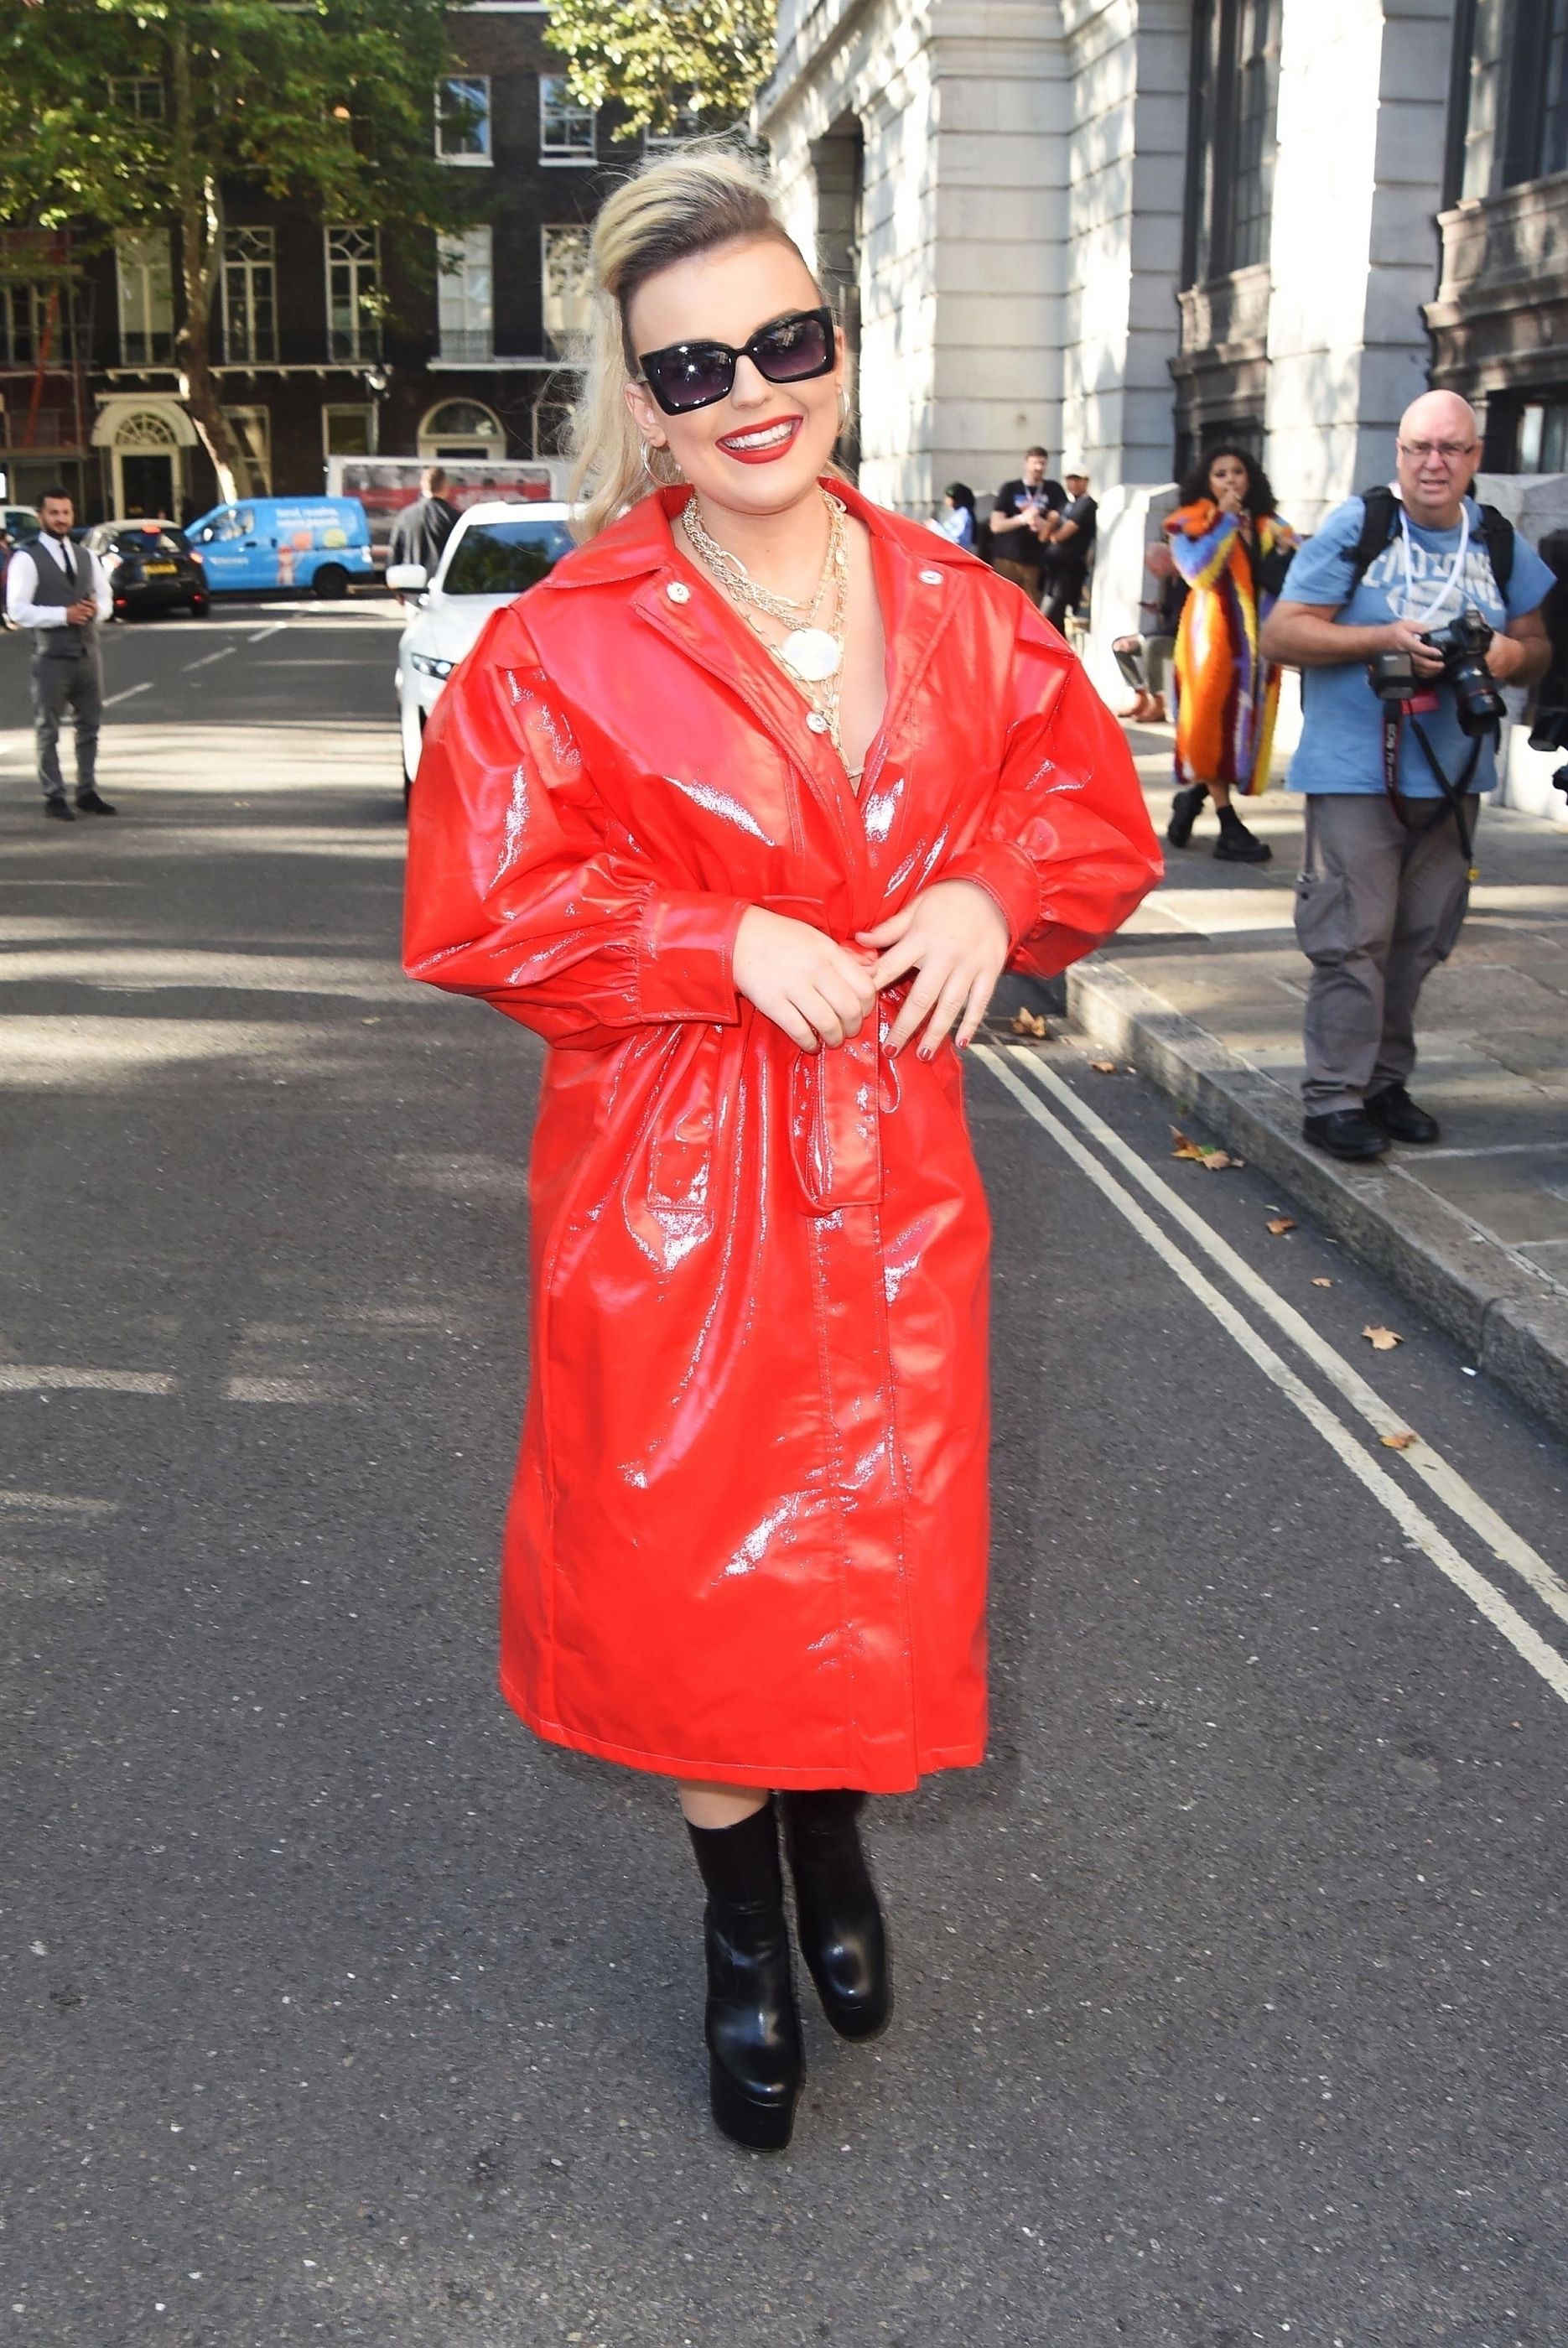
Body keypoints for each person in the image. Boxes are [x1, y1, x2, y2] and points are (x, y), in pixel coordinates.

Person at [402, 148, 1161, 2154]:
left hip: (896, 1173)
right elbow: (477, 904)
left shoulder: (961, 608)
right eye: (692, 366)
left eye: (786, 341)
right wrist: (705, 933)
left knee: (861, 1555)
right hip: (671, 1185)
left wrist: (1003, 896)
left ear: (841, 346)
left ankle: (837, 1850)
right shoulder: (559, 643)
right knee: (687, 1586)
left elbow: (1090, 814)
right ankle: (742, 1927)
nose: (751, 391)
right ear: (635, 401)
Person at [1260, 391, 1552, 1162]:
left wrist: (1506, 658)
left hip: (1456, 773)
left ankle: (1385, 1083)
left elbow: (1536, 640)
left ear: (1474, 458)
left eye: (1452, 450)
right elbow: (1280, 634)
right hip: (1358, 772)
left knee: (1420, 937)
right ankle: (1334, 1097)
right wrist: (1382, 638)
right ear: (1399, 453)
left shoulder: (1494, 538)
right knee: (1353, 936)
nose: (1435, 463)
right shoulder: (1359, 527)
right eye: (1421, 447)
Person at [1164, 447, 1299, 863]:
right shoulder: (1188, 523)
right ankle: (1228, 825)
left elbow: (1293, 576)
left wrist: (1286, 549)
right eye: (1220, 474)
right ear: (1207, 481)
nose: (1230, 481)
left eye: (1237, 472)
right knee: (1210, 727)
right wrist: (1223, 522)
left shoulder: (1271, 525)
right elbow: (1198, 572)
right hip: (1211, 644)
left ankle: (1193, 799)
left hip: (1258, 647)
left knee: (1240, 731)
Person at [3, 486, 116, 821]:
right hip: (51, 656)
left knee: (89, 726)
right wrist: (62, 615)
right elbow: (18, 611)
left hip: (87, 653)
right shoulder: (27, 557)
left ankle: (87, 790)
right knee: (48, 728)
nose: (61, 519)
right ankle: (54, 794)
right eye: (54, 513)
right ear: (41, 516)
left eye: (66, 513)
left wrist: (96, 610)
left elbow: (107, 599)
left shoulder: (87, 556)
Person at [1113, 540, 1185, 723]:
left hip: (1181, 637)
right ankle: (1139, 694)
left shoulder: (1186, 580)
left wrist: (1141, 638)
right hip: (1166, 633)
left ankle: (1158, 701)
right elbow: (1171, 612)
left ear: (1165, 559)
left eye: (1155, 569)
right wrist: (1159, 608)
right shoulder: (1169, 580)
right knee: (1119, 646)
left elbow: (1177, 623)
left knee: (1151, 646)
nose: (1154, 574)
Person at [988, 446, 1065, 603]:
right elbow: (996, 525)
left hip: (1036, 561)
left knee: (1032, 608)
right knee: (1004, 605)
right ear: (1026, 464)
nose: (1039, 468)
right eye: (1035, 463)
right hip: (1007, 559)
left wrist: (1041, 522)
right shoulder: (1010, 488)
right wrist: (1023, 518)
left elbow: (1059, 524)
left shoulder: (1054, 489)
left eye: (1043, 464)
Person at [1039, 465, 1096, 631]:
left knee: (1051, 615)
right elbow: (1043, 536)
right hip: (1053, 572)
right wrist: (1051, 523)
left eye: (1077, 479)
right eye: (1069, 479)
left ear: (1086, 481)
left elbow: (1061, 536)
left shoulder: (1087, 505)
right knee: (1051, 618)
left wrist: (1052, 526)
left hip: (1068, 571)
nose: (1073, 483)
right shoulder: (1066, 505)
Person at [388, 465, 460, 582]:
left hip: (412, 587)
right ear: (445, 485)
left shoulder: (405, 516)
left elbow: (394, 554)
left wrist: (396, 587)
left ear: (422, 486)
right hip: (444, 589)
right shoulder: (455, 518)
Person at [932, 481, 976, 550]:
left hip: (959, 553)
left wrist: (934, 527)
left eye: (948, 497)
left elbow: (954, 539)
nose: (945, 500)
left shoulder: (962, 515)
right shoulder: (959, 513)